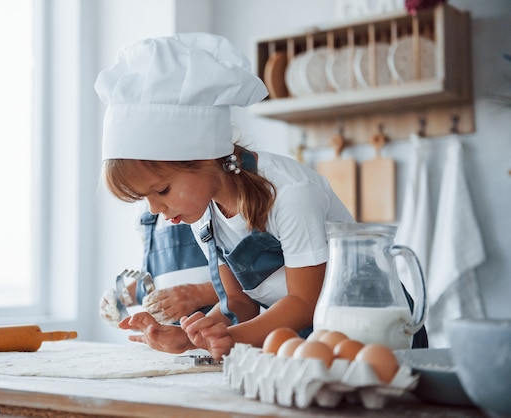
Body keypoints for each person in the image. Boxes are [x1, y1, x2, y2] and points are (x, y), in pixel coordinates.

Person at [95, 33, 426, 360]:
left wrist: (220, 340)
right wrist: (190, 336)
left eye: (162, 190)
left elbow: (304, 302)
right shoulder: (203, 215)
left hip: (377, 339)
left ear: (205, 158)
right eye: (145, 197)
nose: (156, 208)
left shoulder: (292, 194)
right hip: (309, 346)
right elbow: (239, 304)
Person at [100, 201, 217, 325]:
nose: (153, 206)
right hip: (168, 338)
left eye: (162, 190)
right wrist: (120, 299)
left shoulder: (211, 202)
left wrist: (198, 294)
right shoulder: (145, 211)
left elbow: (237, 281)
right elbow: (153, 277)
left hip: (221, 331)